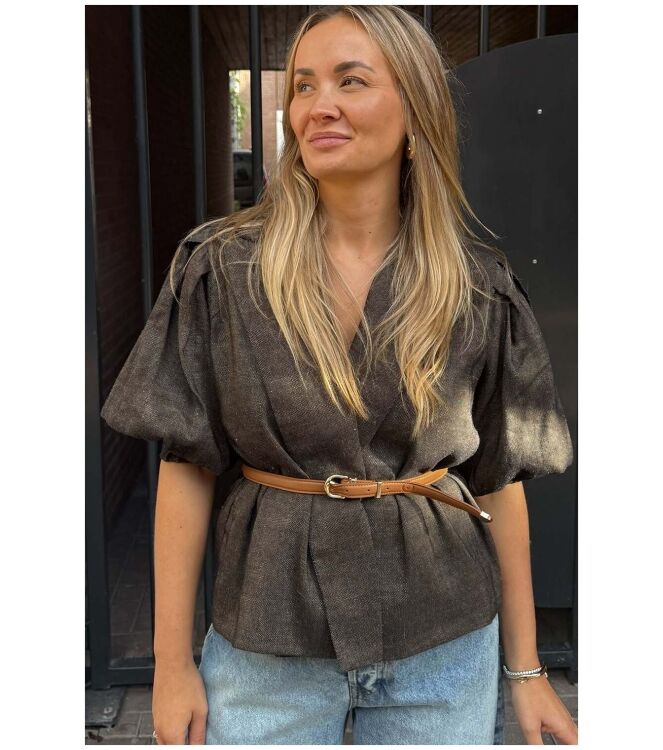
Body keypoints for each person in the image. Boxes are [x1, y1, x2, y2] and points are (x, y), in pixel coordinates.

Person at [100, 5, 578, 745]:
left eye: (351, 81)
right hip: (267, 649)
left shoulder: (477, 287)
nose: (318, 105)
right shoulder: (222, 270)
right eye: (303, 85)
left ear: (415, 110)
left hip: (442, 645)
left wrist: (526, 669)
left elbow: (498, 481)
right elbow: (186, 467)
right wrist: (171, 664)